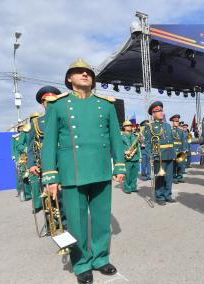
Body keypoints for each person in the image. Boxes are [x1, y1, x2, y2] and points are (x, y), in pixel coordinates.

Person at [41, 58, 126, 283]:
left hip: (99, 168)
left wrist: (119, 164)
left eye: (88, 72)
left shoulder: (106, 105)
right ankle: (81, 263)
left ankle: (100, 258)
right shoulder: (58, 105)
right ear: (69, 78)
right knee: (77, 222)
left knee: (100, 218)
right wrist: (50, 175)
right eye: (78, 72)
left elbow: (115, 138)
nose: (85, 74)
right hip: (72, 172)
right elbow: (49, 142)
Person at [27, 86, 62, 215]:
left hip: (65, 163)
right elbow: (30, 146)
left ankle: (70, 226)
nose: (50, 102)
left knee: (68, 197)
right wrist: (31, 164)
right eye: (46, 100)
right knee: (50, 199)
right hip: (46, 165)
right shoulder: (36, 122)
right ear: (42, 104)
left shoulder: (65, 119)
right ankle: (53, 226)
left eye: (53, 99)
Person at [143, 101, 176, 205]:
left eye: (161, 110)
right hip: (159, 155)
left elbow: (171, 140)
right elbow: (148, 143)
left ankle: (168, 194)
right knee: (160, 177)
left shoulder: (167, 125)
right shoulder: (150, 126)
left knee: (169, 177)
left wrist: (174, 154)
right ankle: (160, 196)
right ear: (153, 114)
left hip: (169, 154)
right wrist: (150, 156)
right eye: (157, 111)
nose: (160, 112)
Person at [121, 120, 141, 194]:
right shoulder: (121, 136)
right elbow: (118, 147)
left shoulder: (134, 135)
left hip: (135, 157)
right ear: (124, 127)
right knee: (128, 175)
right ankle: (127, 188)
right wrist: (124, 151)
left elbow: (138, 147)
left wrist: (140, 157)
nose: (129, 126)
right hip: (127, 158)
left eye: (130, 125)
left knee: (134, 174)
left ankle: (133, 187)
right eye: (127, 125)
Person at [170, 114, 188, 184]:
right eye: (175, 121)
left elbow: (184, 140)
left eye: (177, 121)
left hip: (180, 149)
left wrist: (184, 149)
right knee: (174, 165)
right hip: (173, 149)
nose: (176, 123)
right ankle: (174, 177)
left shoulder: (181, 131)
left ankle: (180, 177)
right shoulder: (170, 130)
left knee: (181, 164)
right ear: (172, 122)